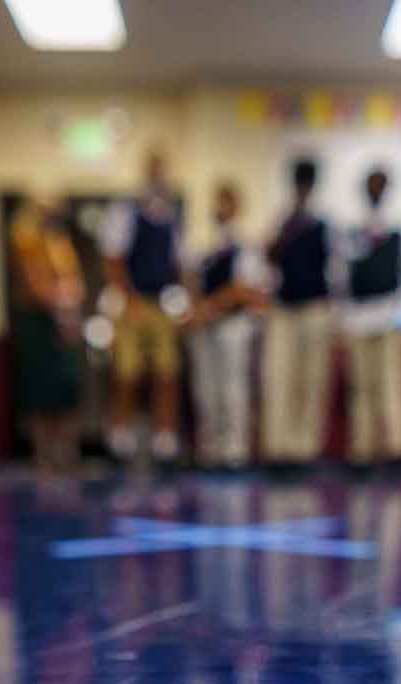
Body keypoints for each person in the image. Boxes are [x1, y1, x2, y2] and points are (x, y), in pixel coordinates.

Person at [100, 149, 184, 466]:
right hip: (132, 303)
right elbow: (112, 258)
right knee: (127, 370)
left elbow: (178, 262)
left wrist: (181, 301)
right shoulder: (126, 212)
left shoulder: (171, 217)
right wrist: (126, 296)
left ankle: (164, 436)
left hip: (161, 303)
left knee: (166, 369)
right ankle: (120, 433)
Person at [187, 180, 268, 470]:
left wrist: (214, 305)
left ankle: (235, 449)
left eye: (228, 202)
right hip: (205, 327)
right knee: (206, 389)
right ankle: (210, 447)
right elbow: (192, 281)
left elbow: (245, 288)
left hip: (233, 325)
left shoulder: (246, 246)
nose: (222, 208)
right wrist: (198, 310)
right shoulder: (204, 245)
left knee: (233, 387)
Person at [340, 166, 401, 469]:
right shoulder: (353, 230)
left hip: (388, 317)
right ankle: (362, 449)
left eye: (379, 186)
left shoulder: (397, 229)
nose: (375, 191)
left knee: (390, 384)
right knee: (362, 386)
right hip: (359, 318)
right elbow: (343, 275)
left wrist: (398, 307)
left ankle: (397, 448)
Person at [8, 193, 87, 473]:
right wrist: (58, 304)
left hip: (63, 324)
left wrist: (70, 313)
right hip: (39, 324)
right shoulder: (25, 242)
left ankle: (67, 453)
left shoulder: (61, 244)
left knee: (66, 392)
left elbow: (74, 282)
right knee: (39, 394)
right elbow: (36, 286)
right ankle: (43, 455)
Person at [262, 156, 334, 467]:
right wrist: (284, 232)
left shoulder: (324, 224)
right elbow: (269, 258)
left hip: (315, 308)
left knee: (311, 379)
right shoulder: (283, 221)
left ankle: (305, 449)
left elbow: (335, 270)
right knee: (278, 376)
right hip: (284, 309)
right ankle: (278, 447)